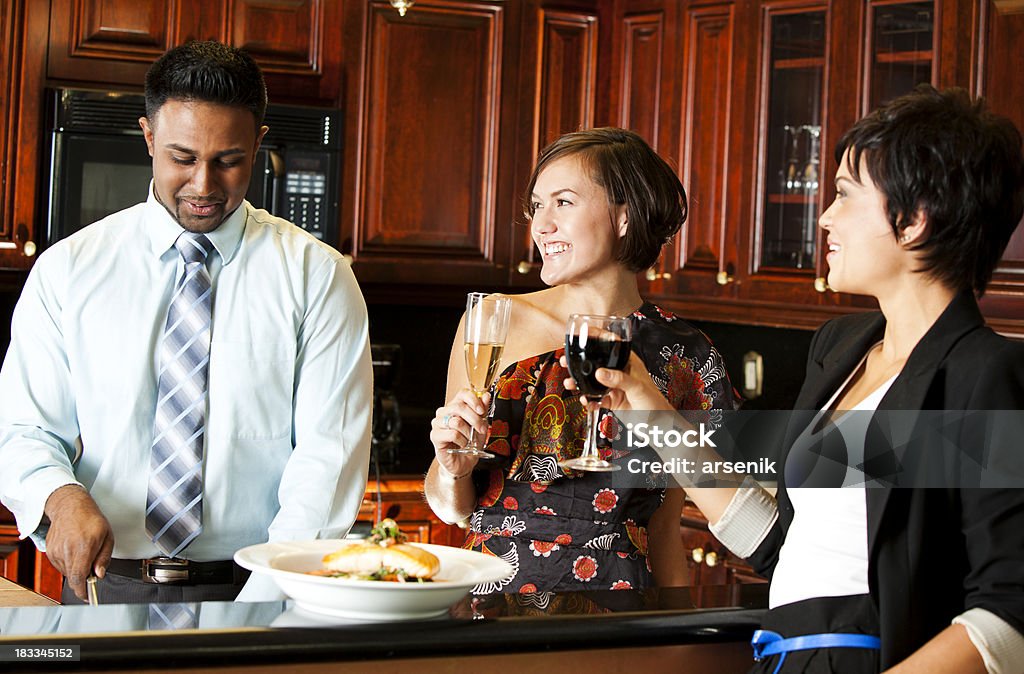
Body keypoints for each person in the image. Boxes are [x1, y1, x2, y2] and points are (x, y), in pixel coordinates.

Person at [586, 85, 1024, 672]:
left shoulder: (984, 374)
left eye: (845, 194)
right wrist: (644, 402)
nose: (825, 217)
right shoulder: (842, 349)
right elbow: (780, 544)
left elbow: (1010, 611)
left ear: (916, 219)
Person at [0, 41, 372, 604]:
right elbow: (22, 428)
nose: (204, 185)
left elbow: (328, 460)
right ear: (148, 136)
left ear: (258, 144)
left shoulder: (318, 278)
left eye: (228, 160)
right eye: (182, 157)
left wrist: (262, 605)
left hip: (259, 586)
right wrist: (60, 495)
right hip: (106, 585)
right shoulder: (67, 272)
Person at [424, 127, 738, 593]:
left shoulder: (686, 357)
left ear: (625, 217)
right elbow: (453, 506)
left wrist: (678, 638)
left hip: (622, 618)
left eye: (563, 202)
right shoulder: (493, 321)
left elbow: (665, 531)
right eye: (537, 205)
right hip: (493, 606)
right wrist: (454, 468)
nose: (541, 224)